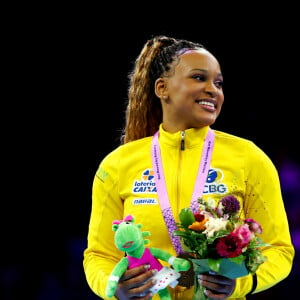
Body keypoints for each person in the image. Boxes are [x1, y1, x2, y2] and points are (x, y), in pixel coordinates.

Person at [83, 35, 295, 300]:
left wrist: (241, 284)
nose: (213, 89)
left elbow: (279, 250)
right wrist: (114, 287)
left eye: (218, 83)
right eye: (199, 78)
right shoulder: (118, 164)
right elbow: (98, 255)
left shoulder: (249, 158)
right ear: (162, 88)